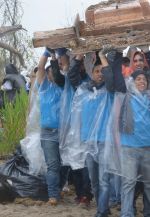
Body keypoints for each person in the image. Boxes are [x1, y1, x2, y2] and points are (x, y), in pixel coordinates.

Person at [105, 46, 150, 217]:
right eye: (138, 79)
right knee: (128, 183)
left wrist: (147, 51)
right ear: (132, 81)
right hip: (129, 148)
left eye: (144, 79)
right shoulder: (125, 93)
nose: (142, 81)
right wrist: (118, 52)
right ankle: (127, 214)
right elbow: (117, 73)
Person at [67, 45, 115, 217]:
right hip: (88, 139)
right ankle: (104, 207)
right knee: (94, 179)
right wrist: (81, 51)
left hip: (104, 140)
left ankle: (102, 210)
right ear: (91, 73)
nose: (100, 74)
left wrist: (102, 56)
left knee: (103, 178)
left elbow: (109, 78)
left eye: (102, 71)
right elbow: (72, 75)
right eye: (97, 71)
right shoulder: (84, 88)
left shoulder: (109, 90)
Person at [51, 48, 94, 207]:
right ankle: (79, 193)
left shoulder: (90, 81)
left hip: (87, 128)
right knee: (74, 160)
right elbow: (65, 72)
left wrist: (85, 54)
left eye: (83, 64)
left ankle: (86, 194)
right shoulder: (70, 81)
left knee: (86, 162)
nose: (81, 67)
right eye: (79, 64)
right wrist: (58, 56)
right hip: (71, 127)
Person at [37, 47, 71, 206]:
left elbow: (66, 66)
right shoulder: (43, 86)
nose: (53, 72)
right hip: (48, 133)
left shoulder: (64, 85)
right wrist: (46, 52)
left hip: (65, 131)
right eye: (50, 71)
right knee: (53, 165)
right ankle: (53, 196)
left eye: (56, 70)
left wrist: (61, 52)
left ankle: (58, 188)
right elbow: (40, 67)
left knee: (65, 164)